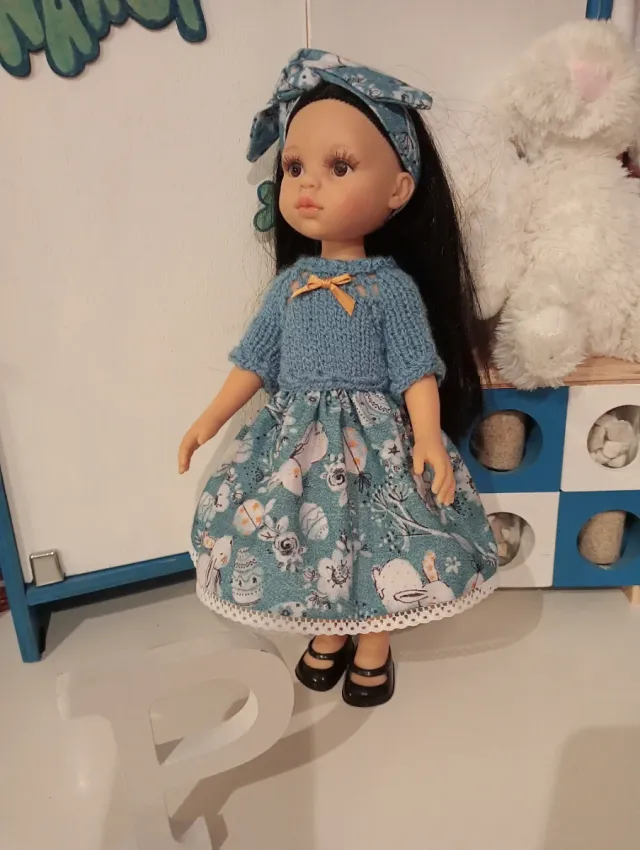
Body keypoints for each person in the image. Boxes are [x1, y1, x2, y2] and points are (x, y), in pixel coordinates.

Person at [179, 50, 498, 708]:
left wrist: (429, 438)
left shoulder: (390, 290)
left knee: (377, 537)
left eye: (340, 167)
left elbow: (415, 370)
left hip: (374, 443)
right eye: (295, 167)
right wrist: (209, 419)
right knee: (302, 535)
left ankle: (374, 643)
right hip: (297, 441)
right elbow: (254, 361)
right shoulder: (290, 287)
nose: (308, 185)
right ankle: (328, 630)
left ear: (398, 190)